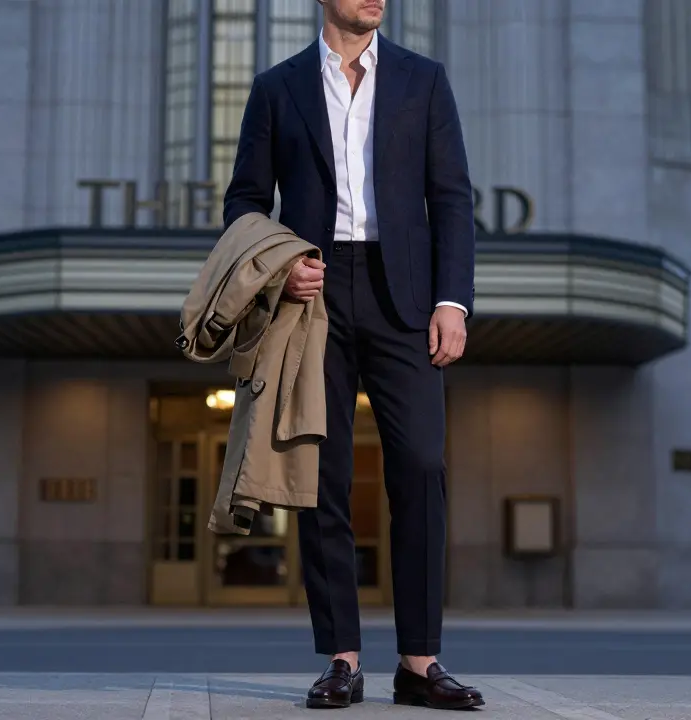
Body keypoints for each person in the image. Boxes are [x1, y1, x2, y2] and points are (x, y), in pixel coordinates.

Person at [223, 0, 481, 710]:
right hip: (312, 296)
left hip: (406, 294)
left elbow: (452, 197)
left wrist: (452, 300)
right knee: (323, 473)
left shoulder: (423, 80)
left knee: (423, 465)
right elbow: (245, 201)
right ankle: (341, 659)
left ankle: (419, 663)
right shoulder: (278, 87)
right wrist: (279, 266)